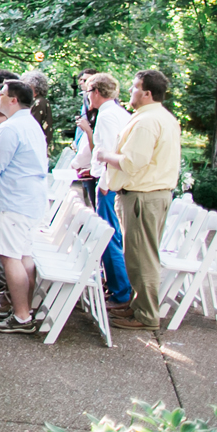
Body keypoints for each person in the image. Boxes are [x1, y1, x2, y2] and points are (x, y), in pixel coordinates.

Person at [97, 69, 181, 331]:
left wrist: (105, 156)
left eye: (134, 88)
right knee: (137, 254)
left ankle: (146, 315)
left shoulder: (147, 121)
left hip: (143, 197)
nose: (129, 92)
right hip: (151, 195)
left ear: (146, 93)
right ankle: (137, 305)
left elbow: (133, 162)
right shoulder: (161, 117)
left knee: (141, 258)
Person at [0, 79, 50, 334]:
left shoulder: (10, 128)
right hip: (28, 198)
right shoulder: (31, 125)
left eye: (2, 94)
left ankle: (20, 316)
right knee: (23, 256)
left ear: (14, 99)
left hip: (12, 199)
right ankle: (24, 308)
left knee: (11, 258)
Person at [74, 72, 133, 310]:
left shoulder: (108, 117)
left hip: (108, 184)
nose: (87, 97)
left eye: (87, 92)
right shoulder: (116, 113)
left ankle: (120, 292)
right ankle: (118, 287)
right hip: (110, 182)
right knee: (111, 235)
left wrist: (104, 184)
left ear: (96, 92)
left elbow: (108, 152)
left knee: (108, 237)